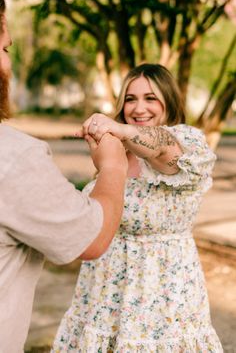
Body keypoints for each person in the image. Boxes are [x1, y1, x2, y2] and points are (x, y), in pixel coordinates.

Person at [52, 63, 223, 352]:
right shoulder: (115, 151)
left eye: (150, 98)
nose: (138, 107)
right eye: (130, 99)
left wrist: (118, 129)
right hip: (104, 294)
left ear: (169, 101)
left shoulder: (187, 142)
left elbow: (162, 148)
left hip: (163, 297)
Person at [0, 0, 128, 353]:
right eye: (5, 48)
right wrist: (113, 166)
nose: (8, 63)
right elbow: (92, 238)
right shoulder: (13, 156)